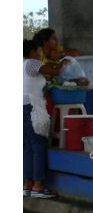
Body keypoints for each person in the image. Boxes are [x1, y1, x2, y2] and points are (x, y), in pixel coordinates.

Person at [23, 39, 66, 198]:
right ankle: (38, 186)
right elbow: (55, 71)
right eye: (39, 51)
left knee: (28, 147)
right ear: (33, 52)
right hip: (31, 107)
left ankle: (27, 184)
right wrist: (64, 62)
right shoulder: (32, 63)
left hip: (22, 107)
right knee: (38, 146)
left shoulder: (22, 65)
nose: (41, 54)